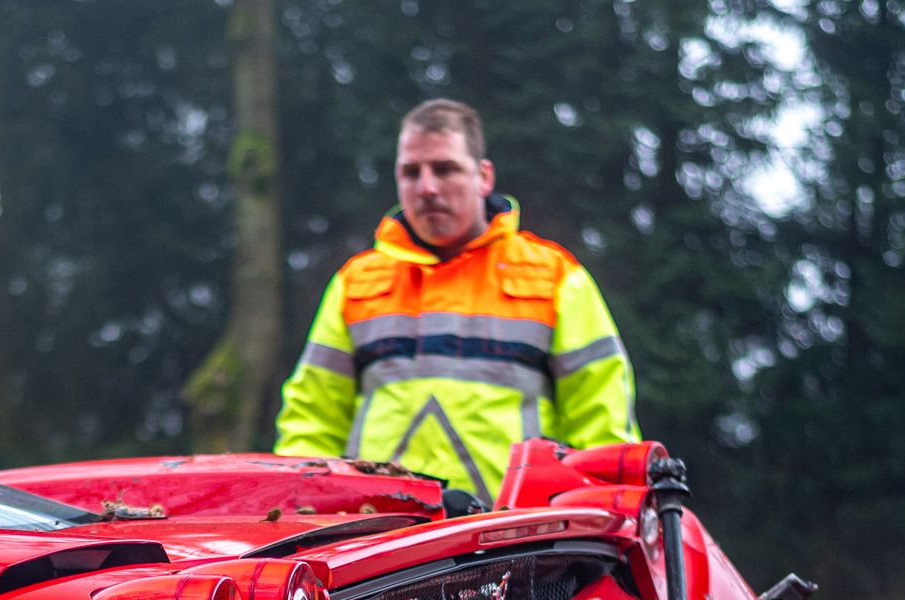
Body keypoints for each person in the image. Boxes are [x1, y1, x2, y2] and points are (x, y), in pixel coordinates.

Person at [273, 99, 637, 500]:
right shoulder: (355, 283)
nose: (427, 187)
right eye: (411, 173)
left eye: (445, 169)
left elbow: (601, 428)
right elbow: (312, 422)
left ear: (484, 177)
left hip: (521, 541)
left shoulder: (555, 278)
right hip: (378, 542)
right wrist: (293, 507)